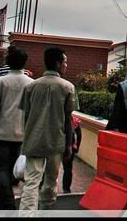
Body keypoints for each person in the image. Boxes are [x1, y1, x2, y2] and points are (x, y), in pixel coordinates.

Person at [19, 47, 77, 212]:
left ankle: (27, 214)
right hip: (55, 142)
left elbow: (25, 116)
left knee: (31, 182)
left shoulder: (32, 86)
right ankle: (46, 211)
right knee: (51, 182)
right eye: (65, 62)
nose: (66, 65)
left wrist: (25, 138)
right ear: (58, 64)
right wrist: (68, 145)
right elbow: (68, 120)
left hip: (33, 141)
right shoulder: (68, 88)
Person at [0, 46, 33, 209]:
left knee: (1, 169)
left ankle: (7, 203)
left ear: (8, 62)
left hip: (1, 133)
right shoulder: (31, 83)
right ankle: (5, 199)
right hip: (22, 134)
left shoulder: (0, 82)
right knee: (14, 170)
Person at [61, 115, 82, 193]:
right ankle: (66, 189)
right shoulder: (74, 121)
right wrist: (76, 148)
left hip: (57, 145)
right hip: (70, 146)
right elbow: (79, 135)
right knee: (68, 168)